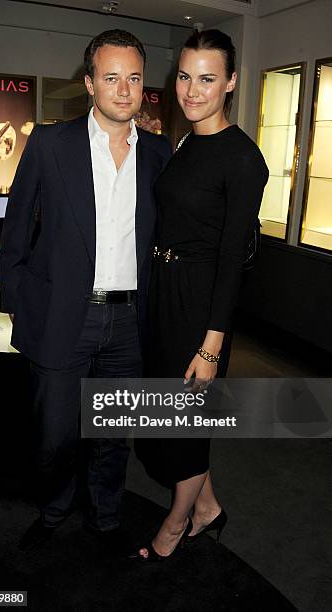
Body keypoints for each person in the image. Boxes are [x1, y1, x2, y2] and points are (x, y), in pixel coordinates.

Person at [0, 29, 172, 552]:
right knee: (55, 435)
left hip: (129, 322)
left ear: (144, 87)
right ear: (90, 83)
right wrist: (21, 308)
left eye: (134, 78)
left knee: (113, 434)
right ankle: (52, 514)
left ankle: (105, 519)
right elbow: (16, 232)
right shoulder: (52, 144)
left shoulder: (159, 153)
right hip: (62, 317)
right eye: (112, 77)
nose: (124, 89)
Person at [133, 29, 269, 560]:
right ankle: (208, 508)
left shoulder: (243, 158)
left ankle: (175, 524)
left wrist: (211, 346)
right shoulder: (186, 141)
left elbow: (233, 259)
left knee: (182, 426)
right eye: (185, 77)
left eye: (207, 79)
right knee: (166, 416)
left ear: (231, 82)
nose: (192, 90)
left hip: (200, 305)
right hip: (165, 293)